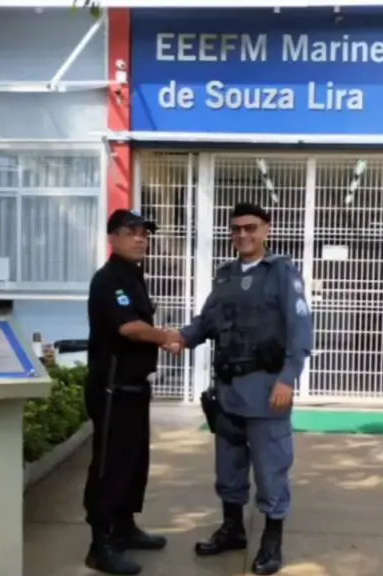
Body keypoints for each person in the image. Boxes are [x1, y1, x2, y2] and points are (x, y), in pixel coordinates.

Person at [167, 202, 313, 576]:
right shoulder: (225, 276)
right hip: (228, 391)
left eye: (251, 228)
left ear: (267, 230)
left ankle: (271, 540)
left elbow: (300, 330)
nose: (243, 235)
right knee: (228, 469)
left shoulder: (282, 273)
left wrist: (287, 378)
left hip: (266, 390)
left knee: (270, 470)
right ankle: (232, 529)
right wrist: (181, 339)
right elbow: (207, 321)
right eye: (236, 229)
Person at [84, 209, 179, 575]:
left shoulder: (133, 277)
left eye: (144, 232)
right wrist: (166, 336)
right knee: (110, 466)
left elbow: (141, 325)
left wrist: (161, 335)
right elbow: (129, 328)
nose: (140, 238)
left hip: (134, 387)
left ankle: (124, 527)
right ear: (112, 237)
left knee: (134, 462)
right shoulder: (108, 280)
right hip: (112, 390)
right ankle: (101, 543)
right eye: (131, 232)